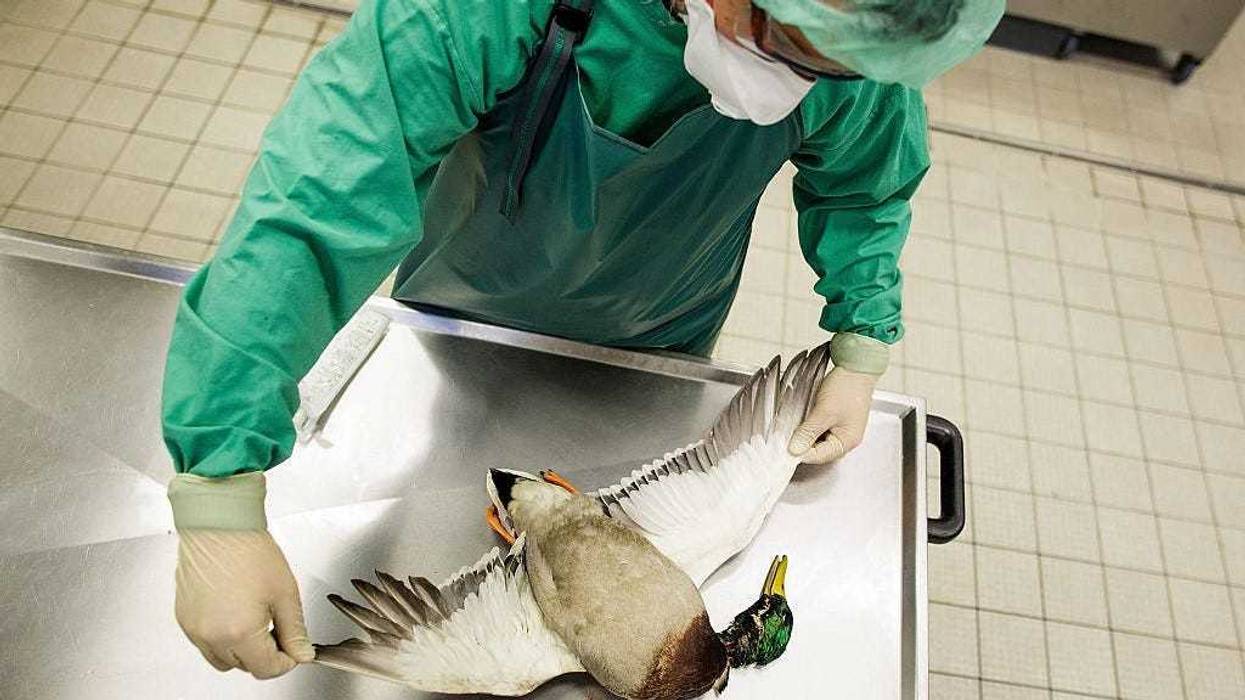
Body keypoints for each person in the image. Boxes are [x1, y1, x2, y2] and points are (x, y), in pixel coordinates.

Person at [163, 0, 1004, 680]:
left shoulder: (850, 41)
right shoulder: (482, 12)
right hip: (461, 317)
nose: (809, 79)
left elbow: (866, 183)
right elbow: (318, 210)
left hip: (660, 340)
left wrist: (861, 335)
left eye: (837, 63)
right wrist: (218, 489)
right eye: (784, 39)